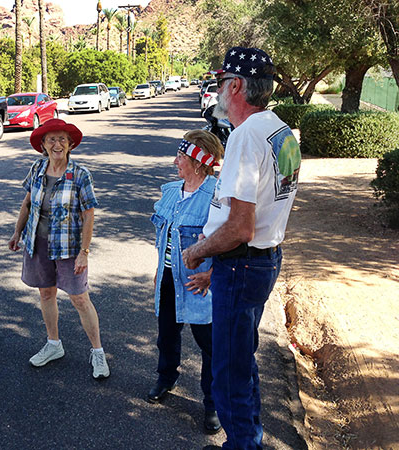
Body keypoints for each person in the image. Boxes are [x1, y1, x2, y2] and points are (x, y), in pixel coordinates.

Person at [182, 47, 301, 450]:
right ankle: (249, 437)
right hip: (260, 261)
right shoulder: (280, 130)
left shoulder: (245, 137)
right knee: (241, 361)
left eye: (219, 83)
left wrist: (199, 251)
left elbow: (240, 227)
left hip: (243, 265)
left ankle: (243, 443)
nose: (215, 92)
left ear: (235, 85)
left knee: (229, 373)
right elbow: (264, 216)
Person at [8, 118, 110, 380]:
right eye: (51, 139)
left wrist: (84, 252)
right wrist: (17, 232)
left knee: (79, 298)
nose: (57, 144)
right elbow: (28, 203)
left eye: (62, 139)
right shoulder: (38, 168)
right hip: (38, 244)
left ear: (70, 144)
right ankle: (54, 344)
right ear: (42, 144)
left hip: (69, 247)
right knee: (45, 294)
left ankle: (97, 351)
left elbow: (89, 215)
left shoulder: (80, 175)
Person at [149, 130, 224, 435]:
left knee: (210, 347)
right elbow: (162, 240)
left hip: (199, 283)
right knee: (166, 336)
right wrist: (158, 270)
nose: (175, 161)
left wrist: (212, 275)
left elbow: (230, 243)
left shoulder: (217, 197)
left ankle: (212, 403)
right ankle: (166, 377)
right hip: (168, 279)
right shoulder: (170, 192)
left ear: (197, 162)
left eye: (180, 156)